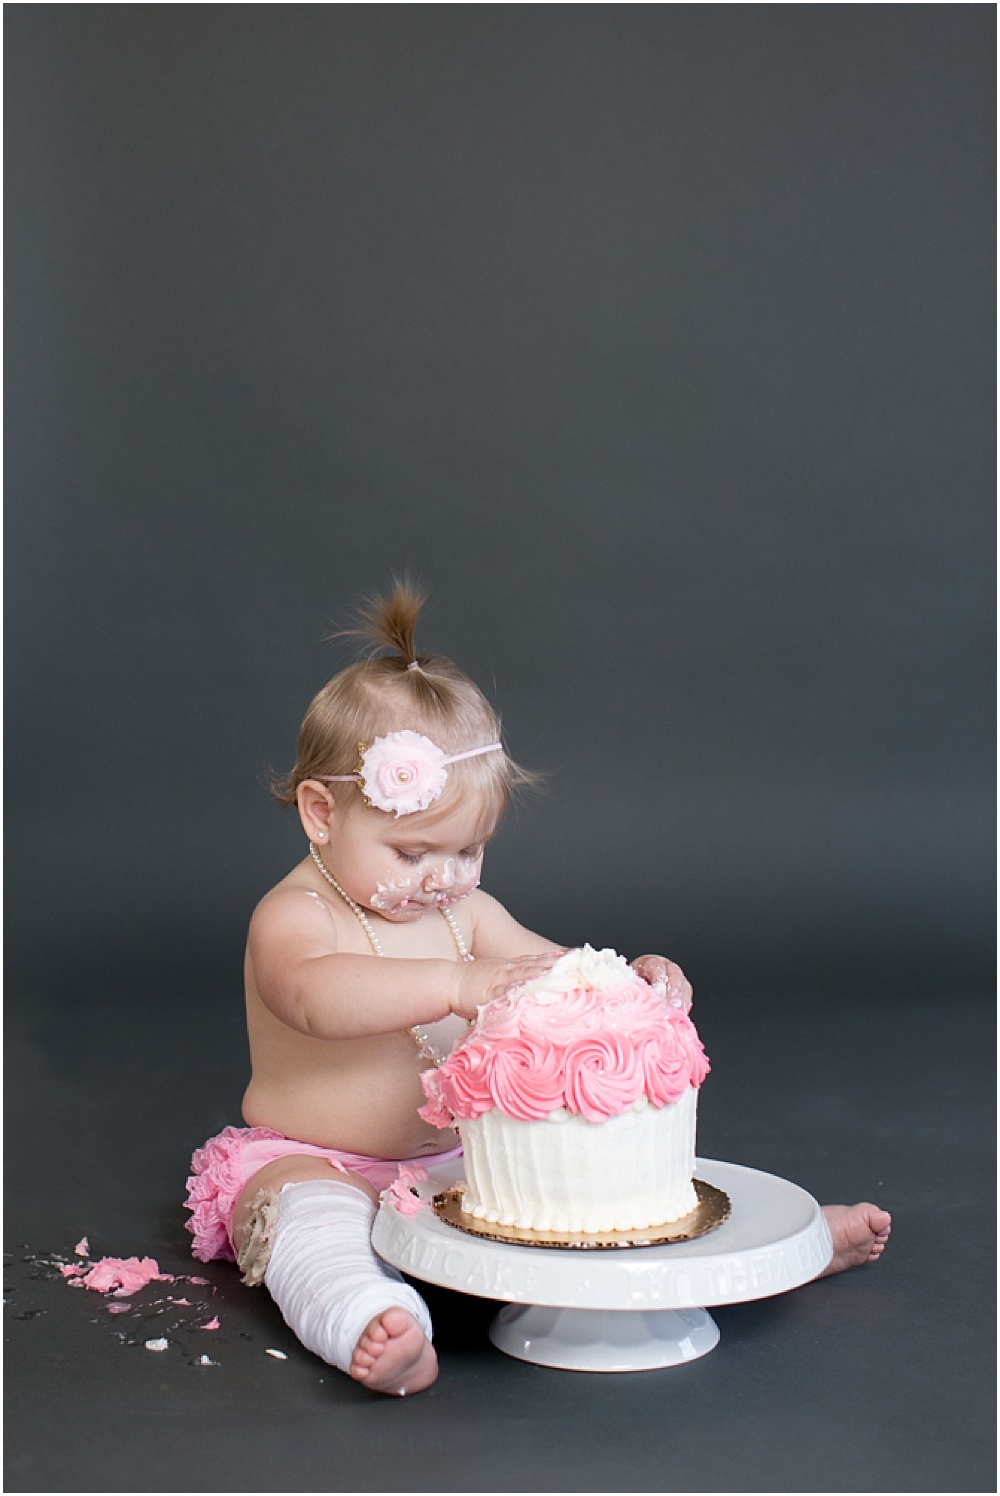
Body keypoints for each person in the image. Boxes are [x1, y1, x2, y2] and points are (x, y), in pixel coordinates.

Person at [185, 583, 891, 1397]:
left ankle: (780, 1257)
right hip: (316, 1161)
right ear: (320, 812)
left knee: (576, 1215)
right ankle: (369, 1317)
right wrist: (455, 983)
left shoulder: (467, 912)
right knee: (311, 1231)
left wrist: (627, 980)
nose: (442, 879)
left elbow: (555, 971)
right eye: (413, 853)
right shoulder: (295, 916)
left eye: (469, 850)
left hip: (462, 1172)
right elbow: (313, 996)